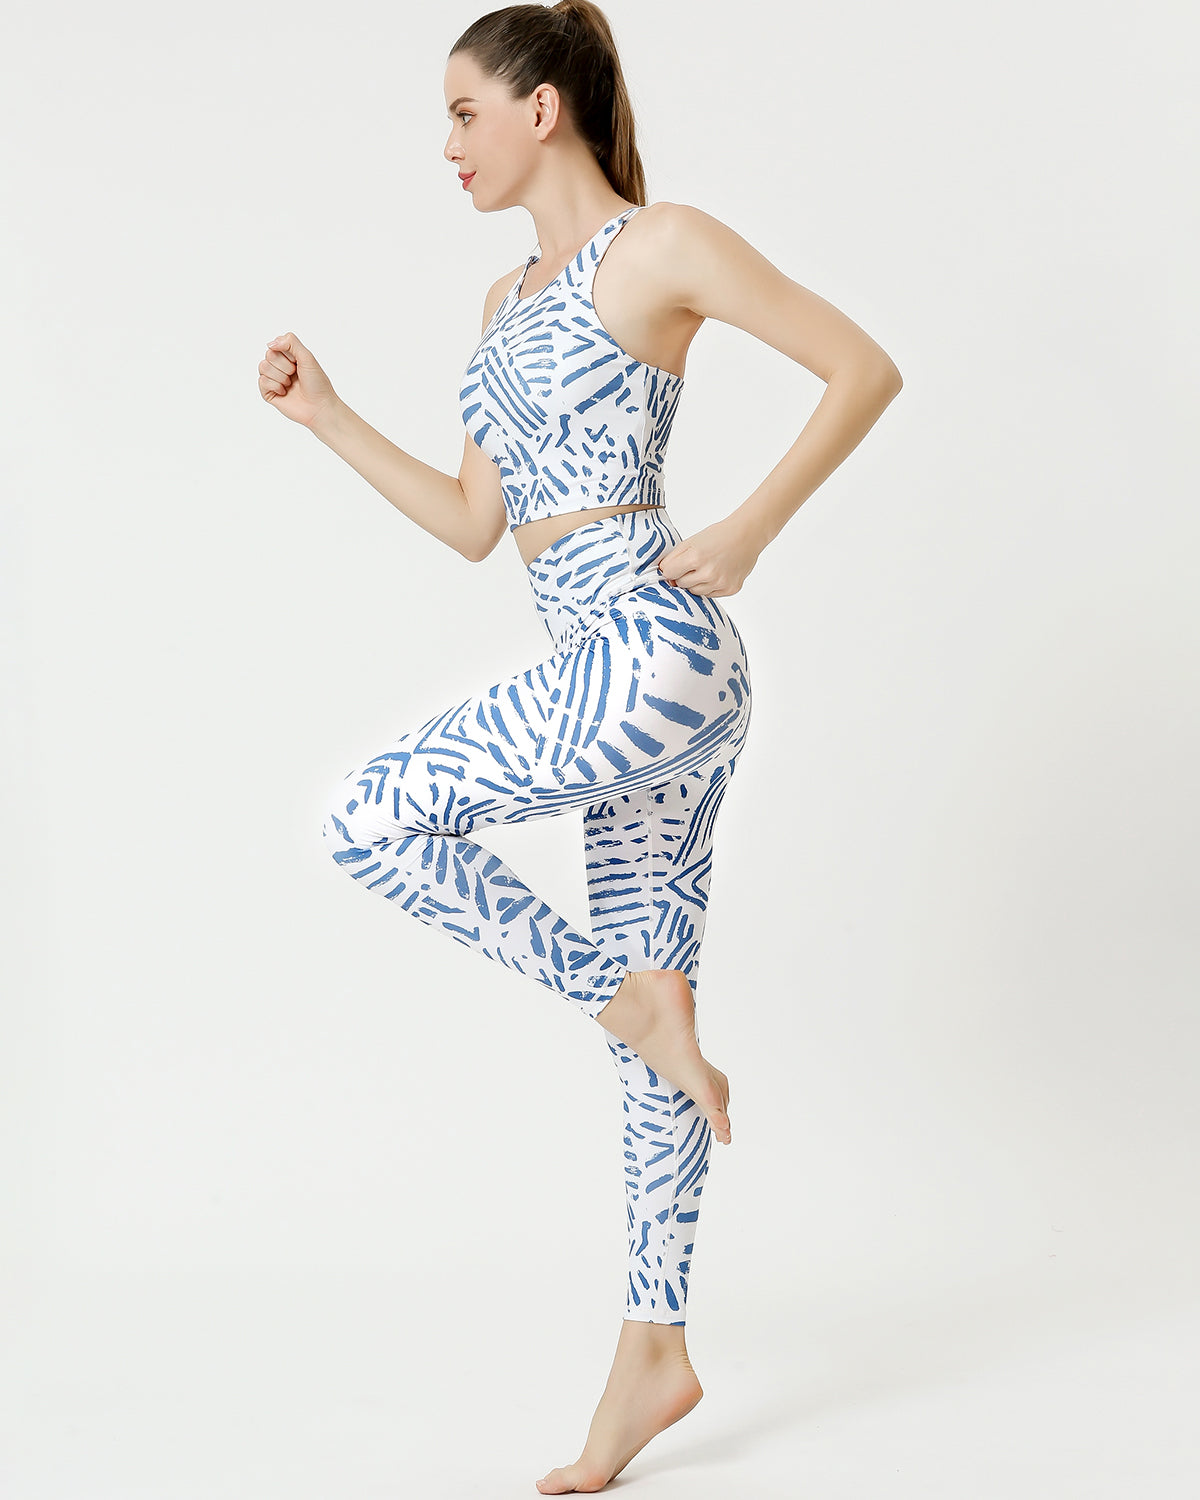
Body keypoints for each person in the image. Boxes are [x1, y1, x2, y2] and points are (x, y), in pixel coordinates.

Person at [256, 2, 902, 1490]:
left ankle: (632, 1007)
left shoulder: (656, 248)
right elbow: (476, 525)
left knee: (372, 818)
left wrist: (747, 529)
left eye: (464, 113)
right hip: (605, 679)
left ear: (540, 109)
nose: (447, 145)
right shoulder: (504, 303)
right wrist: (329, 416)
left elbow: (862, 366)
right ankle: (654, 1348)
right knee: (654, 1007)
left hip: (652, 652)